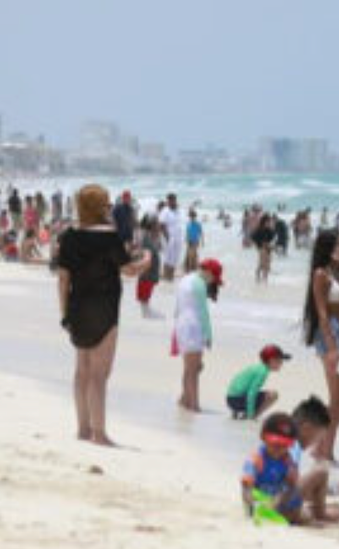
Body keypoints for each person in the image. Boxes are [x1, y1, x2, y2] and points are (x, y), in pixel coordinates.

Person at [56, 185, 149, 446]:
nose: (110, 208)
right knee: (99, 374)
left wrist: (64, 314)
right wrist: (147, 262)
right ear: (99, 207)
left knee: (82, 370)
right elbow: (129, 270)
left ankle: (83, 428)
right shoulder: (109, 236)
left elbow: (63, 279)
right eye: (106, 204)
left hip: (76, 307)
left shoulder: (70, 236)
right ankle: (99, 433)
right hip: (104, 308)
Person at [302, 229, 339, 464]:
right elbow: (322, 314)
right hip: (329, 336)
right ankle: (324, 449)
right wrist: (333, 347)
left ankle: (322, 444)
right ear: (328, 249)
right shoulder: (321, 274)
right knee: (338, 396)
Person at [240, 412, 337, 526]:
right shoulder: (256, 459)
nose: (279, 449)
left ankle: (318, 511)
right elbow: (246, 489)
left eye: (284, 445)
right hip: (271, 509)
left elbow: (292, 488)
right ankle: (320, 513)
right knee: (321, 472)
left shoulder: (287, 460)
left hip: (284, 506)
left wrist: (281, 498)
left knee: (334, 509)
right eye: (275, 443)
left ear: (291, 444)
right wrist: (251, 511)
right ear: (263, 437)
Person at [172, 258, 223, 413]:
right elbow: (203, 312)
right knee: (194, 369)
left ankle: (185, 399)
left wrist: (176, 331)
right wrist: (208, 335)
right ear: (208, 272)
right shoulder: (199, 283)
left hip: (182, 325)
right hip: (193, 327)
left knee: (190, 368)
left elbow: (177, 308)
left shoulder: (185, 279)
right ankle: (194, 405)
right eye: (214, 277)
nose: (212, 282)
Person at [226, 344, 289, 420]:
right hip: (237, 400)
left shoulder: (258, 367)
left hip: (230, 399)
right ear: (271, 360)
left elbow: (237, 383)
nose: (282, 364)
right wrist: (250, 414)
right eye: (280, 361)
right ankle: (253, 416)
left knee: (252, 392)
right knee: (274, 395)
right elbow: (252, 393)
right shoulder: (262, 372)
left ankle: (238, 413)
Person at [135, 216, 162, 318]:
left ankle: (146, 310)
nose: (159, 226)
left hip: (149, 268)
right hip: (148, 269)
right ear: (152, 226)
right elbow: (144, 252)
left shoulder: (150, 236)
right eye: (157, 224)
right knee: (145, 290)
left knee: (147, 290)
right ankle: (145, 312)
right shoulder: (146, 236)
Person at [159, 193, 184, 281]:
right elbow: (162, 225)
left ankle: (171, 276)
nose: (172, 201)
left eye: (173, 199)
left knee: (175, 258)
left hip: (178, 238)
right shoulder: (165, 211)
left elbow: (180, 223)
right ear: (168, 201)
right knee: (168, 258)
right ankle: (166, 276)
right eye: (170, 200)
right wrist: (167, 237)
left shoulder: (179, 210)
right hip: (168, 238)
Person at [251, 213, 275, 283]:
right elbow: (254, 238)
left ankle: (263, 278)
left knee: (267, 264)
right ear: (264, 222)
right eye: (268, 222)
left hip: (268, 248)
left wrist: (272, 229)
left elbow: (272, 238)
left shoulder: (269, 230)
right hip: (261, 248)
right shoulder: (259, 230)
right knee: (263, 264)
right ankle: (261, 278)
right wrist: (259, 244)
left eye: (269, 221)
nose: (269, 223)